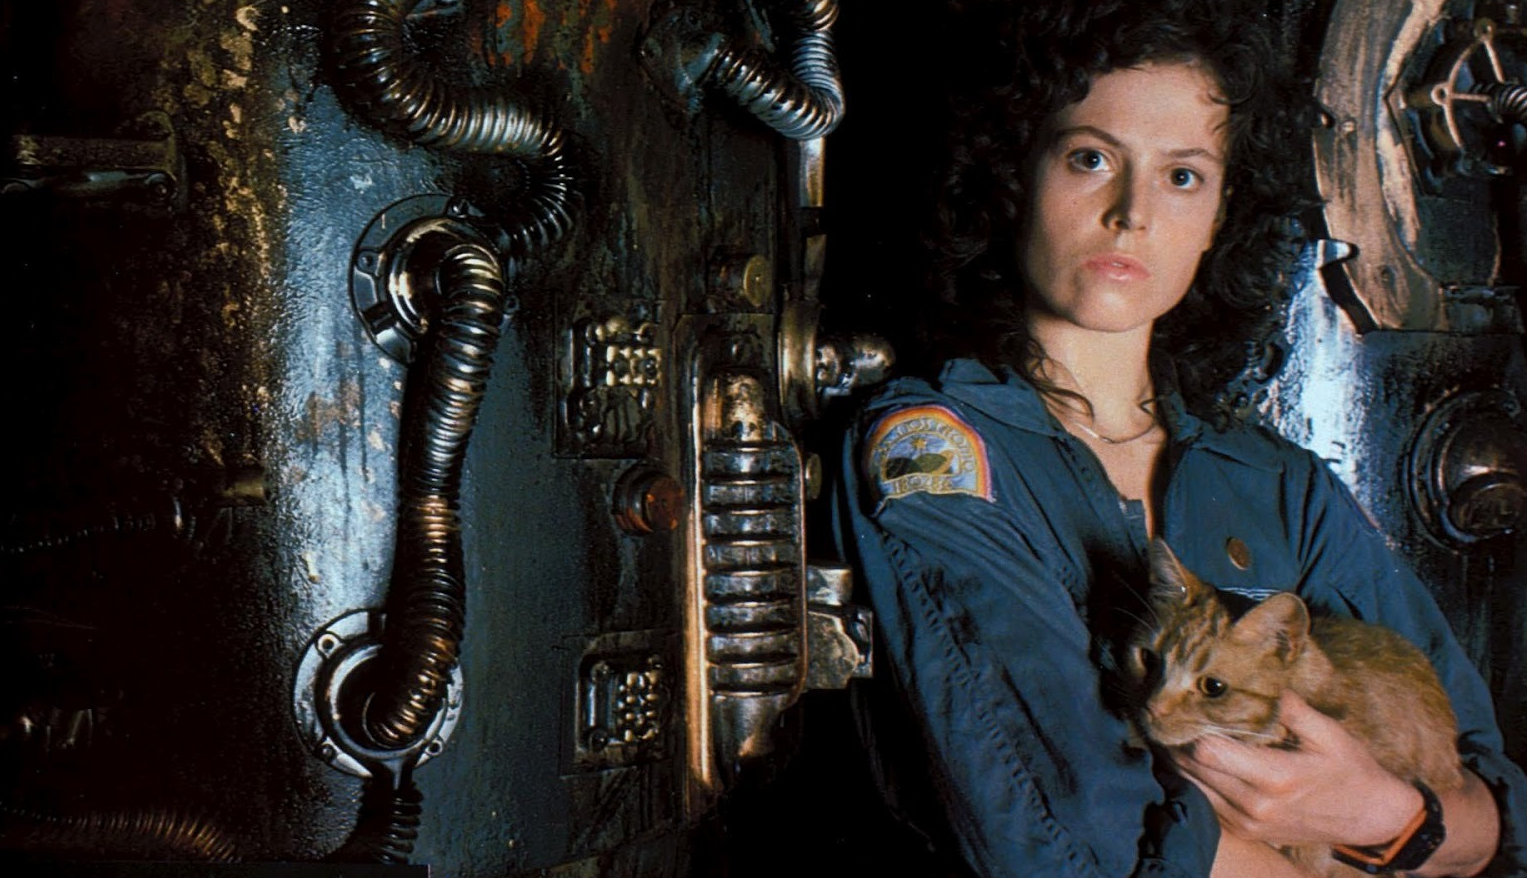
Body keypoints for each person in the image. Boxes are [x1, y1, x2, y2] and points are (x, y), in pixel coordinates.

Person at [830, 1, 1527, 876]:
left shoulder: (1281, 486)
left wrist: (1390, 818)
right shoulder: (934, 455)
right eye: (1090, 158)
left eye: (1183, 176)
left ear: (1219, 214)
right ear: (1013, 174)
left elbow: (1499, 813)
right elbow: (1070, 842)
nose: (1131, 214)